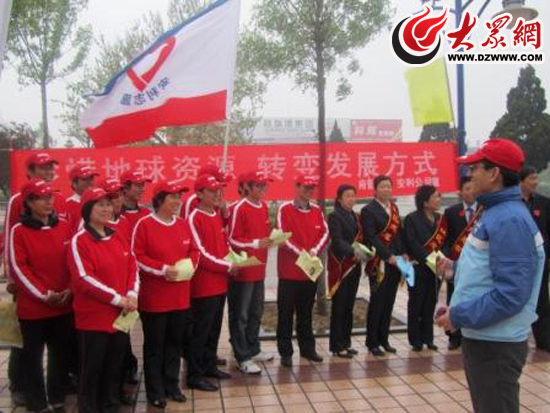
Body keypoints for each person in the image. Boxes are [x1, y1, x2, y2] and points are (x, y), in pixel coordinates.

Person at [436, 139, 545, 413]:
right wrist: (454, 269)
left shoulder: (509, 219)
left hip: (496, 344)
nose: (469, 175)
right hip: (486, 336)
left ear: (494, 173)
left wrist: (459, 315)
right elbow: (487, 272)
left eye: (475, 168)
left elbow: (511, 294)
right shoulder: (496, 212)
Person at [3, 152, 69, 407]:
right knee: (25, 346)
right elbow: (11, 242)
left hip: (60, 295)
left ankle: (57, 394)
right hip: (30, 291)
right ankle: (21, 387)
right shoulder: (17, 203)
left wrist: (68, 288)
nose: (48, 171)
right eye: (42, 168)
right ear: (29, 171)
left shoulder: (59, 204)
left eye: (51, 167)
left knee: (58, 349)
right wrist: (12, 277)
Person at [68, 187, 139, 413]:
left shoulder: (117, 235)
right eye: (100, 205)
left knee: (113, 367)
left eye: (108, 204)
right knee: (92, 370)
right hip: (94, 318)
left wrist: (132, 293)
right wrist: (118, 299)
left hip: (121, 316)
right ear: (88, 209)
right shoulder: (80, 241)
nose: (106, 209)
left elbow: (132, 266)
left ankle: (110, 406)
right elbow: (84, 279)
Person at [132, 180, 196, 408]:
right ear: (159, 200)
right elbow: (137, 257)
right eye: (173, 197)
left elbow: (194, 251)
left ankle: (172, 385)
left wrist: (191, 266)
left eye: (179, 197)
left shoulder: (182, 224)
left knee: (174, 344)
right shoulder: (144, 225)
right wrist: (162, 270)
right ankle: (155, 390)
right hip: (155, 298)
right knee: (155, 346)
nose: (178, 201)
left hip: (180, 297)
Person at [187, 174, 235, 391]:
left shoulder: (215, 215)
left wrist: (234, 259)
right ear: (199, 193)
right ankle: (194, 374)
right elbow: (200, 254)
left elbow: (223, 245)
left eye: (219, 191)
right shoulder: (194, 218)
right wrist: (227, 266)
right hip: (204, 285)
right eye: (212, 191)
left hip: (220, 282)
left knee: (214, 329)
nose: (217, 195)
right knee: (201, 331)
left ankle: (209, 366)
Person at [276, 175, 329, 367]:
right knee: (285, 314)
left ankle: (308, 349)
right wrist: (302, 254)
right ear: (297, 187)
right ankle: (286, 352)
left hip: (309, 271)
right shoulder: (284, 209)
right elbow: (282, 237)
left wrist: (314, 251)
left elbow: (325, 233)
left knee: (306, 313)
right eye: (305, 187)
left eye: (311, 188)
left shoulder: (317, 210)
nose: (309, 191)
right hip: (289, 273)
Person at [228, 171, 274, 374]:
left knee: (256, 312)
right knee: (241, 315)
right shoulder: (238, 208)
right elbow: (232, 239)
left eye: (265, 185)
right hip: (244, 271)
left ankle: (253, 349)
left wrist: (271, 240)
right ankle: (242, 356)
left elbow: (263, 235)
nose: (263, 189)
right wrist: (256, 243)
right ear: (247, 187)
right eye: (259, 186)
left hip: (259, 269)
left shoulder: (263, 206)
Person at [361, 176, 405, 356]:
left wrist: (402, 254)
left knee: (389, 302)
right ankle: (372, 342)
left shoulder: (394, 208)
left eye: (389, 186)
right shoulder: (368, 210)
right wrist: (388, 256)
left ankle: (384, 339)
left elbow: (399, 234)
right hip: (378, 263)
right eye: (382, 186)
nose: (386, 189)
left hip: (395, 262)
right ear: (375, 189)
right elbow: (371, 237)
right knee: (377, 302)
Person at [440, 176, 482, 350]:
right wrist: (449, 258)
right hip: (456, 265)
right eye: (467, 189)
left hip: (477, 265)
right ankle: (454, 337)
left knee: (474, 297)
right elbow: (445, 239)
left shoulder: (484, 210)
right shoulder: (451, 212)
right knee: (454, 298)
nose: (471, 192)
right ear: (460, 192)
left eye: (473, 188)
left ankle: (471, 335)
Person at [404, 185, 446, 352]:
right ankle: (415, 340)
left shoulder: (440, 219)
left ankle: (428, 338)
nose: (438, 199)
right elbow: (411, 242)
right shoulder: (411, 219)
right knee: (416, 304)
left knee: (430, 303)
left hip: (435, 269)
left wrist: (441, 259)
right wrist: (429, 259)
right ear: (425, 201)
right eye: (435, 197)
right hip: (417, 267)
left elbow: (445, 242)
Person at [118, 170, 150, 384]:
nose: (141, 189)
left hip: (146, 279)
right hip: (123, 281)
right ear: (125, 189)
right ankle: (126, 367)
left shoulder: (146, 214)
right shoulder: (114, 216)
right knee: (122, 328)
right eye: (137, 185)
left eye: (142, 185)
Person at [327, 184, 364, 358]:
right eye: (347, 196)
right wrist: (352, 251)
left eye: (353, 196)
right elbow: (337, 240)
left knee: (349, 306)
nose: (351, 199)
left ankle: (346, 343)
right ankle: (336, 345)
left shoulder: (355, 216)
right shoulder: (334, 216)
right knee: (339, 306)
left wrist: (364, 251)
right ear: (339, 199)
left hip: (355, 266)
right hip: (341, 267)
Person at [519, 166, 550, 352]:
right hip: (519, 261)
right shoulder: (512, 204)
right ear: (521, 181)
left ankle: (543, 339)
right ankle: (518, 337)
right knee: (518, 298)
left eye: (536, 178)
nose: (535, 183)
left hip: (540, 260)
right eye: (531, 179)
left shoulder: (544, 203)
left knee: (542, 300)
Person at [66, 166, 99, 231]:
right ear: (74, 183)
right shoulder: (67, 205)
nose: (90, 182)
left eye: (91, 178)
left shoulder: (101, 203)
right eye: (85, 179)